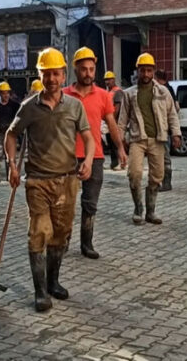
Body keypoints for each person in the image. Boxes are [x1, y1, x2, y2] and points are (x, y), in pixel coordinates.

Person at [5, 47, 95, 312]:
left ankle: (53, 282)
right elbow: (11, 135)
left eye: (56, 74)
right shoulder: (29, 107)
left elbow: (88, 137)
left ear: (63, 75)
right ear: (40, 75)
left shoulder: (74, 106)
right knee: (39, 232)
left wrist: (88, 161)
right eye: (46, 74)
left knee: (61, 234)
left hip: (67, 181)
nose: (52, 79)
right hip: (38, 182)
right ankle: (40, 292)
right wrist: (12, 165)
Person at [63, 47, 127, 259]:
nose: (88, 73)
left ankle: (87, 243)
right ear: (76, 70)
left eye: (91, 69)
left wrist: (120, 148)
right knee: (66, 203)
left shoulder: (103, 96)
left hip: (95, 157)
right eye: (84, 69)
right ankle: (62, 241)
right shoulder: (64, 95)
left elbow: (111, 124)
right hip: (67, 157)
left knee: (90, 203)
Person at [118, 53, 181, 225]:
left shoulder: (163, 91)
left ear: (153, 71)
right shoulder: (129, 94)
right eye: (142, 70)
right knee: (134, 174)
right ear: (137, 71)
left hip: (157, 139)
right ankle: (138, 209)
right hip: (137, 140)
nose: (145, 74)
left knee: (157, 175)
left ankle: (150, 211)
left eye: (149, 70)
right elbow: (122, 120)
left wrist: (176, 133)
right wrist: (119, 143)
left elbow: (172, 114)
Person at [0, 81, 20, 183]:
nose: (5, 95)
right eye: (3, 93)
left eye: (7, 93)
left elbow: (19, 117)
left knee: (10, 154)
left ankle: (10, 175)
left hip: (10, 133)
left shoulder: (14, 105)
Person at [154, 69, 179, 192]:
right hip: (165, 128)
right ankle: (162, 181)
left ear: (157, 78)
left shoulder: (163, 90)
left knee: (163, 156)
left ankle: (166, 182)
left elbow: (174, 109)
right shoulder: (170, 89)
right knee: (162, 156)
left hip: (163, 129)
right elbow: (177, 107)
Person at [104, 71, 125, 170]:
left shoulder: (117, 92)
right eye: (106, 80)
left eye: (109, 79)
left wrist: (112, 120)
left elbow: (117, 107)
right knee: (111, 143)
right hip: (109, 121)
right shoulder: (108, 92)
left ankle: (121, 163)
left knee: (116, 143)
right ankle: (114, 163)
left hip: (115, 121)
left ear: (113, 80)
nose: (107, 82)